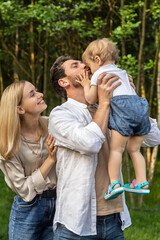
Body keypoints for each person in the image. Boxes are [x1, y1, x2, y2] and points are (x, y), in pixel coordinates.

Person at [49, 55, 160, 240]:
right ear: (64, 82)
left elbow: (154, 138)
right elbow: (90, 143)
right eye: (75, 65)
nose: (84, 65)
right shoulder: (60, 115)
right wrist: (105, 102)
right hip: (77, 225)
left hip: (114, 220)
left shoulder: (114, 107)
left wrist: (130, 98)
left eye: (82, 62)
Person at [78, 38, 151, 200]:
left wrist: (85, 84)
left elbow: (90, 98)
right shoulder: (123, 73)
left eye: (89, 66)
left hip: (123, 111)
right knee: (135, 150)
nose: (90, 71)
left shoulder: (99, 73)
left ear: (97, 60)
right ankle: (142, 182)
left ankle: (114, 183)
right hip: (140, 109)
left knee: (117, 150)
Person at [0, 80, 57, 240]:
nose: (40, 95)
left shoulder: (52, 125)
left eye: (37, 90)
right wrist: (51, 160)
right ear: (20, 108)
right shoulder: (8, 144)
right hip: (28, 209)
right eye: (32, 94)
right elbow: (24, 190)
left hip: (59, 203)